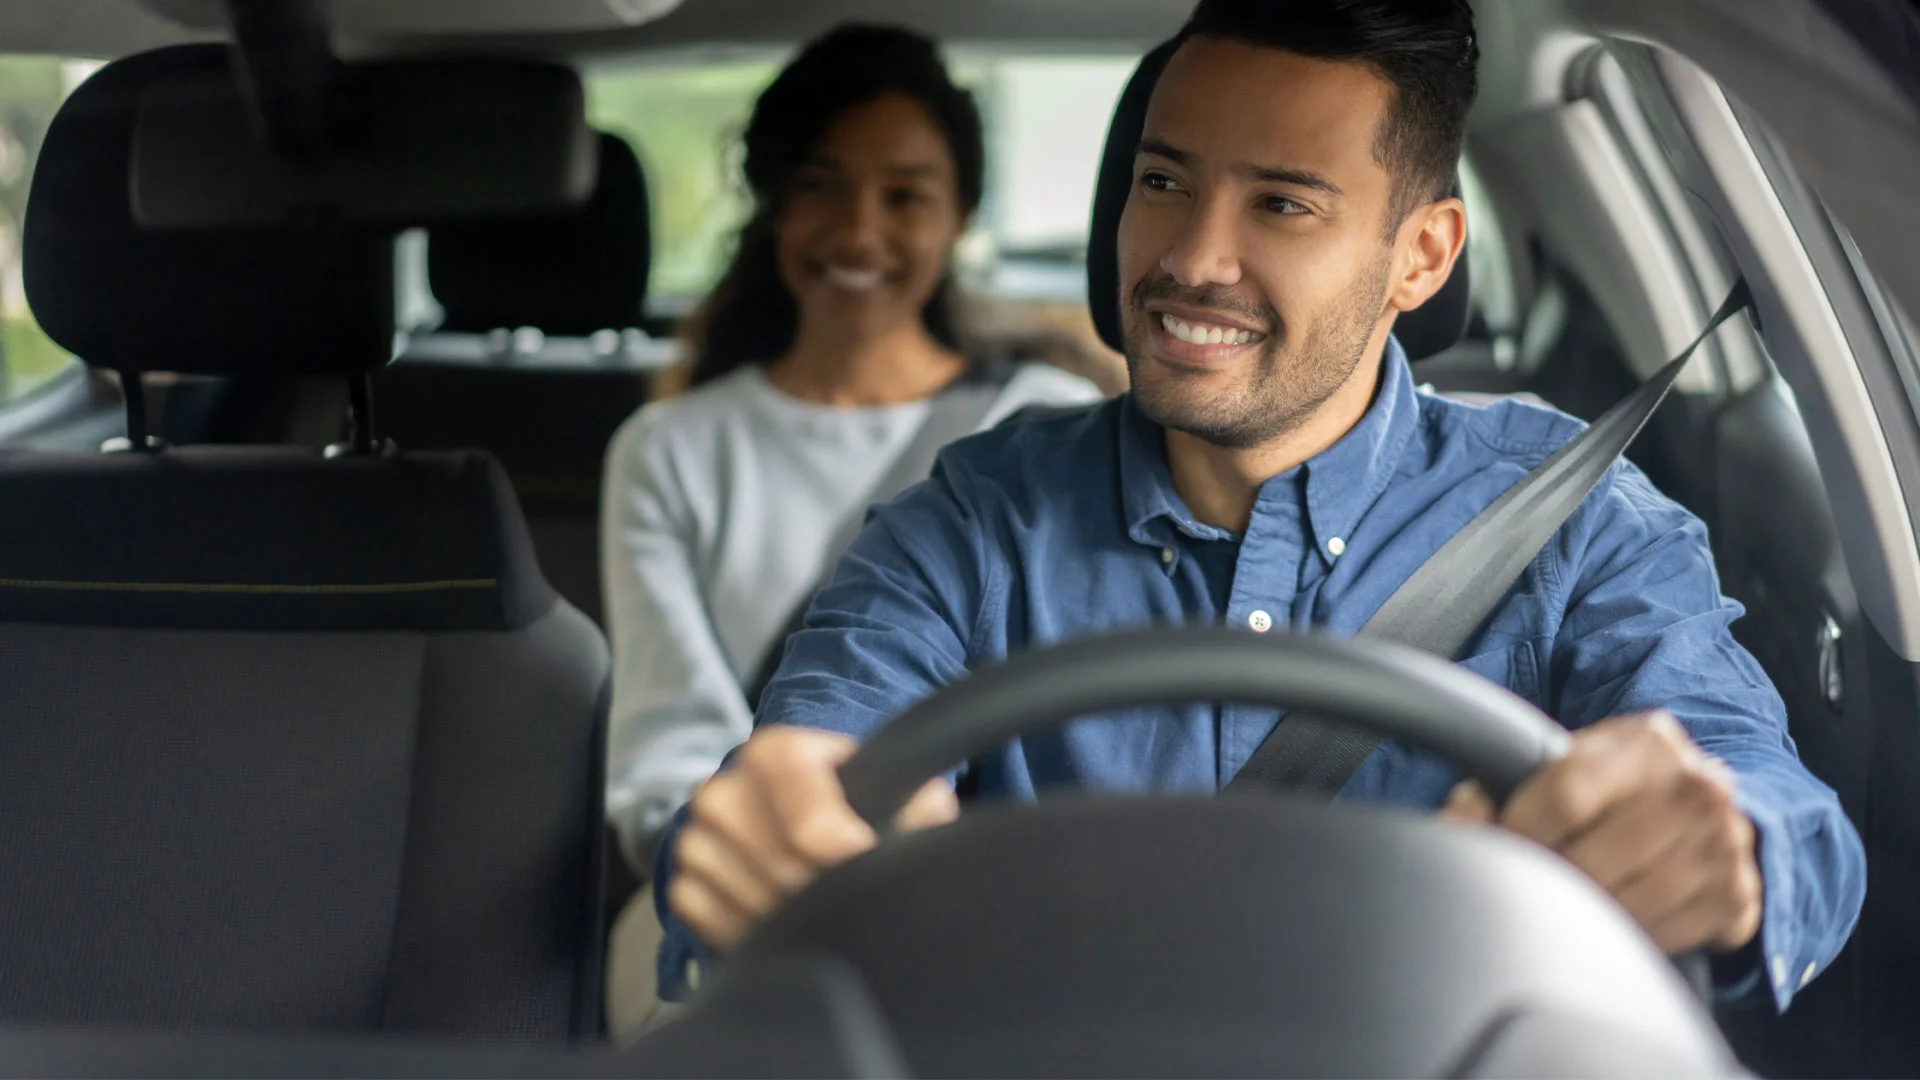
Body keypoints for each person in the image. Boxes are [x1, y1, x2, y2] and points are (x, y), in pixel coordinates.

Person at [654, 0, 1867, 1015]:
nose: (1193, 257)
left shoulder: (1574, 519)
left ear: (1424, 256)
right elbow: (806, 765)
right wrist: (762, 828)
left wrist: (1729, 851)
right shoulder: (975, 518)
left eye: (1282, 205)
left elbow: (1779, 817)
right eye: (1164, 181)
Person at [598, 23, 1101, 1033]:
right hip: (752, 882)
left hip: (997, 879)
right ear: (776, 203)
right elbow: (669, 746)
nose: (859, 231)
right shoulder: (670, 449)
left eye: (905, 195)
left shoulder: (1044, 426)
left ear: (958, 216)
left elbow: (1081, 716)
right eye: (823, 185)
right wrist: (769, 857)